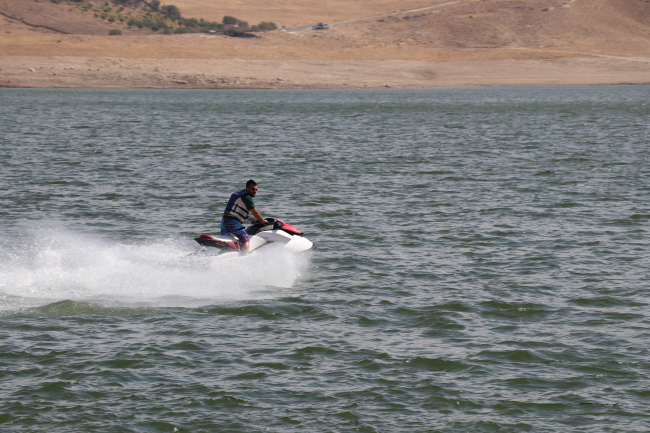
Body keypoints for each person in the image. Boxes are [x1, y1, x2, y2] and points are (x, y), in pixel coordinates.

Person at [221, 179, 268, 255]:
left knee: (225, 240)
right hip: (232, 222)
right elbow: (255, 213)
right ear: (247, 188)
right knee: (246, 239)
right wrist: (262, 221)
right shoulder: (246, 197)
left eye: (256, 189)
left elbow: (239, 212)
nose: (255, 191)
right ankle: (243, 257)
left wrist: (254, 219)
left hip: (224, 221)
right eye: (253, 189)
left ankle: (225, 254)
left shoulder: (237, 194)